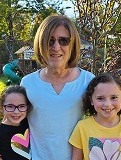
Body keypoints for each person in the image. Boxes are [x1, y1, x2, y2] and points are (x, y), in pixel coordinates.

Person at [19, 14, 95, 160]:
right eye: (50, 40)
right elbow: (14, 122)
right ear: (41, 43)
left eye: (63, 40)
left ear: (72, 45)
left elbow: (104, 121)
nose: (56, 47)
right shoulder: (28, 83)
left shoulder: (88, 81)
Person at [69, 73, 121, 160]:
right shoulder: (82, 127)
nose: (108, 104)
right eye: (100, 98)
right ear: (91, 100)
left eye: (114, 97)